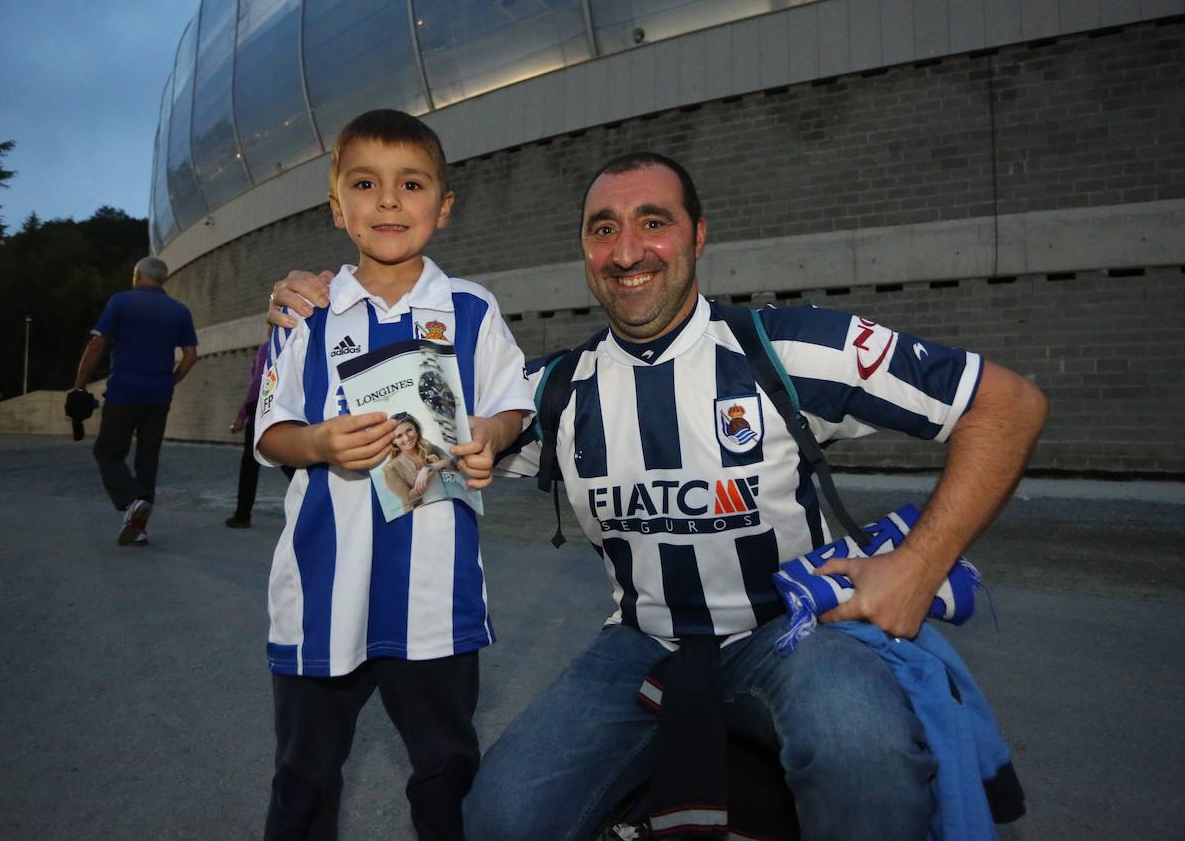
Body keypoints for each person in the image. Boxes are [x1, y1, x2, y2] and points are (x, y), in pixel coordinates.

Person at [267, 152, 1048, 839]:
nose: (628, 250)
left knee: (861, 746)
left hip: (793, 635)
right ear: (584, 248)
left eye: (653, 222)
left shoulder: (789, 348)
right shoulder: (554, 390)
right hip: (643, 644)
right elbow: (420, 424)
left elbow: (1007, 405)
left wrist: (917, 567)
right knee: (500, 818)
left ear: (698, 236)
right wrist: (328, 292)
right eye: (603, 229)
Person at [253, 109, 535, 841]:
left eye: (410, 184)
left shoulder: (471, 310)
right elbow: (271, 433)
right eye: (365, 184)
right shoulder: (306, 315)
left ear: (441, 208)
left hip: (433, 600)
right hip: (323, 591)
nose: (387, 201)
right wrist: (318, 441)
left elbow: (513, 408)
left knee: (445, 768)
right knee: (305, 775)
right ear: (337, 207)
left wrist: (489, 436)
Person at [71, 256, 198, 546]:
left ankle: (131, 501)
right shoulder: (179, 310)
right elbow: (191, 356)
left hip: (124, 392)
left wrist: (79, 385)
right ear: (162, 278)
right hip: (159, 395)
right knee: (147, 460)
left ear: (138, 274)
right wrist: (170, 380)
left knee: (108, 453)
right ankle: (139, 526)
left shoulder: (120, 302)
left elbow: (97, 345)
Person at [225, 342, 270, 528]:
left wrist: (242, 415)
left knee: (250, 464)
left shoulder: (269, 346)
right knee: (286, 461)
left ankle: (243, 514)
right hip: (279, 406)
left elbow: (257, 383)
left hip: (261, 405)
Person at [381, 413, 454, 513]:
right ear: (393, 441)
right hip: (420, 516)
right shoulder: (390, 469)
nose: (406, 438)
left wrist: (427, 468)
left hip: (447, 504)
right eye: (399, 436)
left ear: (416, 429)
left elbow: (453, 463)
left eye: (409, 430)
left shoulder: (428, 447)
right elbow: (408, 499)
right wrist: (428, 476)